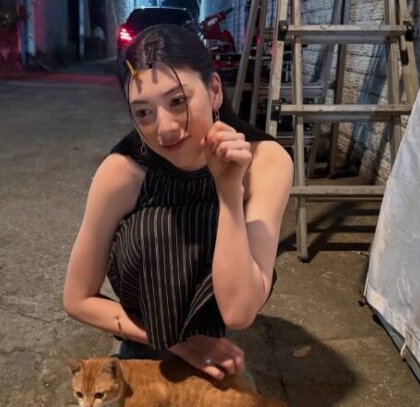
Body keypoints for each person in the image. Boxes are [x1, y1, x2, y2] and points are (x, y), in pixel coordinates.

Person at [63, 24, 293, 381]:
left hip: (222, 349)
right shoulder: (122, 173)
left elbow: (238, 312)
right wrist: (179, 342)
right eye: (143, 112)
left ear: (214, 90)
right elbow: (77, 299)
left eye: (178, 101)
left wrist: (229, 193)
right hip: (142, 341)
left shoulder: (265, 161)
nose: (166, 128)